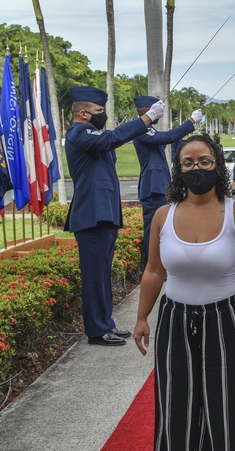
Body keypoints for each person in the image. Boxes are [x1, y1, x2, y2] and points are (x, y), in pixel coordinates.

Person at [133, 134, 235, 451]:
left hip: (225, 317)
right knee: (176, 403)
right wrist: (142, 316)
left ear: (217, 165)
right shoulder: (162, 216)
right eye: (188, 163)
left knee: (223, 402)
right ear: (179, 169)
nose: (196, 169)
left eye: (204, 161)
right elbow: (154, 270)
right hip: (175, 317)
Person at [64, 86, 168, 346]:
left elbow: (109, 139)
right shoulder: (79, 133)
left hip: (103, 214)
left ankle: (105, 322)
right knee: (94, 275)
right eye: (99, 111)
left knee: (102, 273)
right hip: (91, 215)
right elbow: (110, 139)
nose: (103, 115)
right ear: (85, 114)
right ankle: (97, 330)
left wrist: (147, 122)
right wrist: (145, 119)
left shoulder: (92, 133)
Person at [131, 95, 201, 265]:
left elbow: (170, 138)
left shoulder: (150, 130)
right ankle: (153, 265)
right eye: (154, 110)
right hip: (152, 186)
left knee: (163, 228)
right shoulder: (140, 130)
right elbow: (168, 137)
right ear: (145, 111)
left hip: (159, 183)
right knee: (153, 229)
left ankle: (162, 264)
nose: (158, 113)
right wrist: (190, 122)